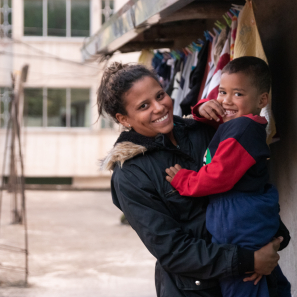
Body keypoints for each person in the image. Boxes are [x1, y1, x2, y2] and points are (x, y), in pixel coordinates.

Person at [98, 62, 290, 297]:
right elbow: (172, 250)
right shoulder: (131, 174)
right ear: (124, 119)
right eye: (144, 106)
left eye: (160, 95)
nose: (159, 107)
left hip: (256, 273)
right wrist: (248, 260)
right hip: (196, 290)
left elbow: (250, 182)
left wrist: (274, 237)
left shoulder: (202, 130)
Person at [165, 57, 291, 297]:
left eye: (238, 94)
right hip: (245, 213)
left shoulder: (242, 130)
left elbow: (217, 177)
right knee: (271, 284)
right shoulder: (243, 124)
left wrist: (184, 180)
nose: (226, 100)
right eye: (222, 91)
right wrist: (202, 107)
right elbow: (218, 124)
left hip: (236, 216)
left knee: (242, 284)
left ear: (262, 100)